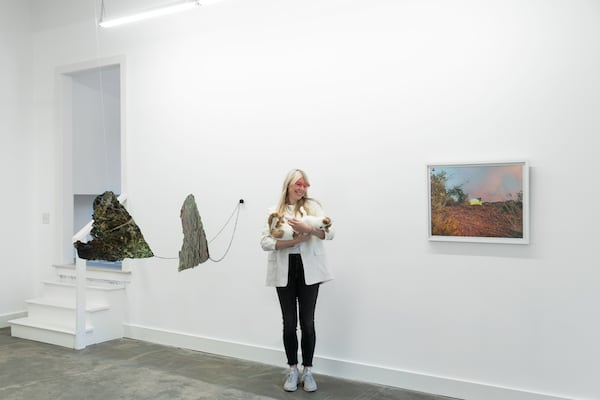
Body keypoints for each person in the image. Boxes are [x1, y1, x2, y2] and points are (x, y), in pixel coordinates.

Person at [260, 169, 335, 393]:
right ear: (289, 185)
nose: (301, 188)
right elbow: (265, 242)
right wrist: (294, 242)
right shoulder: (274, 211)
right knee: (289, 323)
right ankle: (293, 370)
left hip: (308, 269)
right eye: (298, 184)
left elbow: (330, 234)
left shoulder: (314, 208)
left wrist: (308, 229)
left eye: (304, 185)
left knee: (308, 323)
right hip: (285, 269)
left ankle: (308, 371)